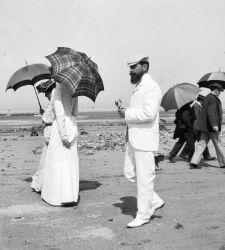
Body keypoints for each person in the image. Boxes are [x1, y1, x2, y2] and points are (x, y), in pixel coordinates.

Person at [118, 54, 164, 228]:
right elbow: (139, 110)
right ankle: (154, 200)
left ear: (144, 67)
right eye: (130, 67)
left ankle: (143, 215)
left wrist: (127, 114)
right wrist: (125, 110)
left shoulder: (151, 87)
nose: (130, 71)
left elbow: (149, 114)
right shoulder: (140, 87)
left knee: (145, 178)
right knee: (129, 173)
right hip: (134, 137)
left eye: (133, 67)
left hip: (144, 140)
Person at [41, 82, 79, 206]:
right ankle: (71, 196)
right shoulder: (74, 87)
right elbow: (75, 112)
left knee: (57, 161)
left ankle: (57, 197)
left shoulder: (58, 89)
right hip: (72, 124)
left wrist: (63, 136)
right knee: (70, 161)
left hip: (61, 126)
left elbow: (59, 113)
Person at [190, 82, 225, 169]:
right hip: (211, 127)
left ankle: (194, 162)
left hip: (205, 127)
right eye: (219, 91)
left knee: (201, 144)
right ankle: (223, 163)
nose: (220, 93)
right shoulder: (213, 98)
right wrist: (214, 125)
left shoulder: (207, 97)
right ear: (216, 90)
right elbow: (211, 113)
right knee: (219, 144)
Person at [31, 80, 56, 192]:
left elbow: (48, 118)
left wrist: (43, 115)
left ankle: (42, 184)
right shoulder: (53, 101)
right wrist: (44, 113)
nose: (45, 95)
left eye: (46, 92)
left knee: (47, 158)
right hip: (50, 131)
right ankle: (42, 183)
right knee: (46, 157)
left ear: (50, 91)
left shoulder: (53, 102)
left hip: (51, 132)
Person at [180, 95, 215, 161]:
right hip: (196, 127)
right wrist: (197, 127)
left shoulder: (197, 106)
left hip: (195, 127)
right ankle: (206, 156)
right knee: (202, 141)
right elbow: (196, 118)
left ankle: (184, 153)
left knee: (194, 141)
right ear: (201, 100)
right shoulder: (196, 106)